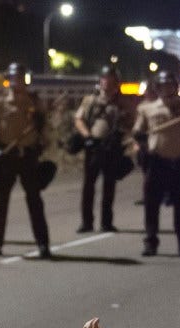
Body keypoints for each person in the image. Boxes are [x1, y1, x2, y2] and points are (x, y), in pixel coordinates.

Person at [0, 62, 52, 259]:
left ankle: (43, 244)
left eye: (20, 77)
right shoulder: (0, 103)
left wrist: (43, 142)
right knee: (1, 201)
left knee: (34, 201)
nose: (17, 81)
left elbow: (44, 127)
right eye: (14, 77)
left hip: (28, 156)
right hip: (7, 155)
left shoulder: (34, 102)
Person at [131, 70, 180, 257]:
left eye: (170, 86)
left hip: (179, 163)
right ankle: (150, 243)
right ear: (158, 88)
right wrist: (140, 138)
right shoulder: (147, 109)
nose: (167, 90)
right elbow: (137, 131)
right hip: (157, 163)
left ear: (176, 88)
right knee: (151, 206)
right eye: (163, 86)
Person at [74, 65, 129, 233]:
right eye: (105, 80)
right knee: (89, 186)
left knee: (109, 186)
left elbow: (130, 123)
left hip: (112, 148)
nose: (108, 84)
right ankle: (86, 222)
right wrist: (87, 137)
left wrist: (123, 136)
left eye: (112, 81)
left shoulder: (121, 103)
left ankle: (106, 222)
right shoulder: (90, 100)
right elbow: (79, 119)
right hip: (94, 146)